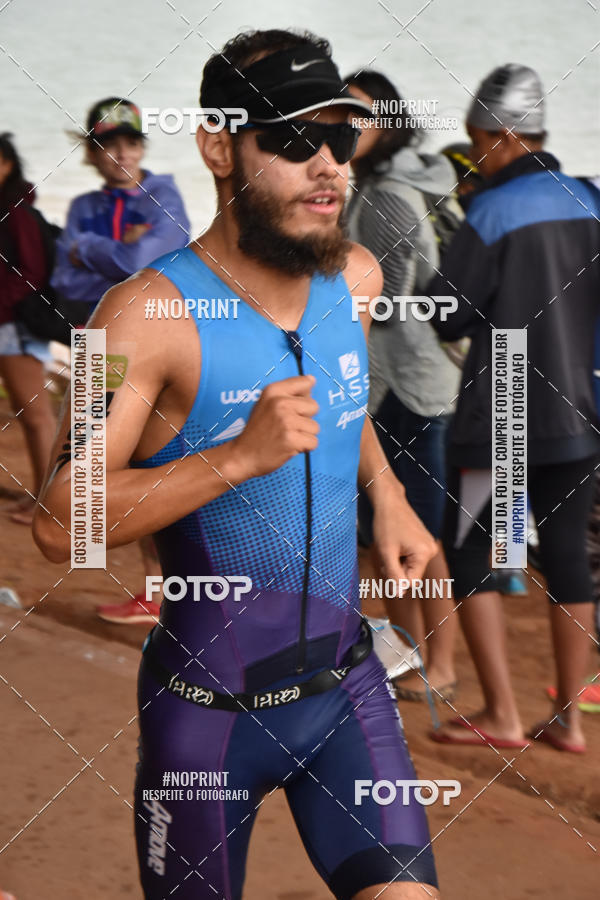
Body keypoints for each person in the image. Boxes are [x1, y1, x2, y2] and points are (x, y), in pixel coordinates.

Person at [34, 28, 441, 900]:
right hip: (207, 724)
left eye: (342, 138)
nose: (327, 165)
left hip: (349, 694)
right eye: (293, 140)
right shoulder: (133, 319)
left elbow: (340, 411)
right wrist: (237, 458)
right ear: (219, 146)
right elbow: (60, 519)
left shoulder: (358, 279)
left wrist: (391, 492)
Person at [429, 63, 600, 753]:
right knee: (567, 559)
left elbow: (448, 314)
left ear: (502, 138)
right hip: (580, 414)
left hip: (499, 416)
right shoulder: (590, 199)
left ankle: (501, 713)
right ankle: (570, 722)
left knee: (473, 554)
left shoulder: (493, 211)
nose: (475, 157)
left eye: (477, 145)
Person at [51, 98, 191, 624]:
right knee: (91, 459)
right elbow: (64, 282)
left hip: (152, 346)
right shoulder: (84, 205)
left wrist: (86, 249)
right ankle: (148, 589)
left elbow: (140, 262)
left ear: (143, 146)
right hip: (95, 346)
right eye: (109, 145)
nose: (122, 154)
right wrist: (112, 248)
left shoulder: (165, 194)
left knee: (151, 462)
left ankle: (165, 593)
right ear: (91, 153)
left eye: (131, 143)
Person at [345, 70, 460, 703]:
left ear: (387, 121)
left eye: (360, 115)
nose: (348, 126)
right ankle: (406, 652)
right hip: (396, 378)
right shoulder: (375, 185)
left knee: (420, 528)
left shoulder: (388, 195)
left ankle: (440, 663)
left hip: (409, 384)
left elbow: (384, 298)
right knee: (385, 525)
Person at [0, 133, 56, 526]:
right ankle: (42, 496)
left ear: (6, 165)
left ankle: (51, 505)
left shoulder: (15, 210)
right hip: (7, 321)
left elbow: (31, 273)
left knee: (37, 416)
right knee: (29, 413)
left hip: (15, 323)